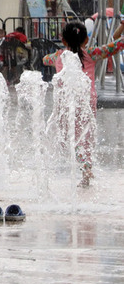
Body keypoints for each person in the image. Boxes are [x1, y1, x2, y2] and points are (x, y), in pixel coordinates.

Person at [43, 20, 124, 187]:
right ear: (86, 40)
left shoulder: (59, 56)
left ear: (63, 40)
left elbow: (45, 59)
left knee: (68, 136)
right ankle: (86, 169)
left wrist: (51, 57)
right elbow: (116, 46)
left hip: (65, 102)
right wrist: (122, 27)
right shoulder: (92, 53)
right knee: (85, 136)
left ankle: (83, 167)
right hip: (86, 100)